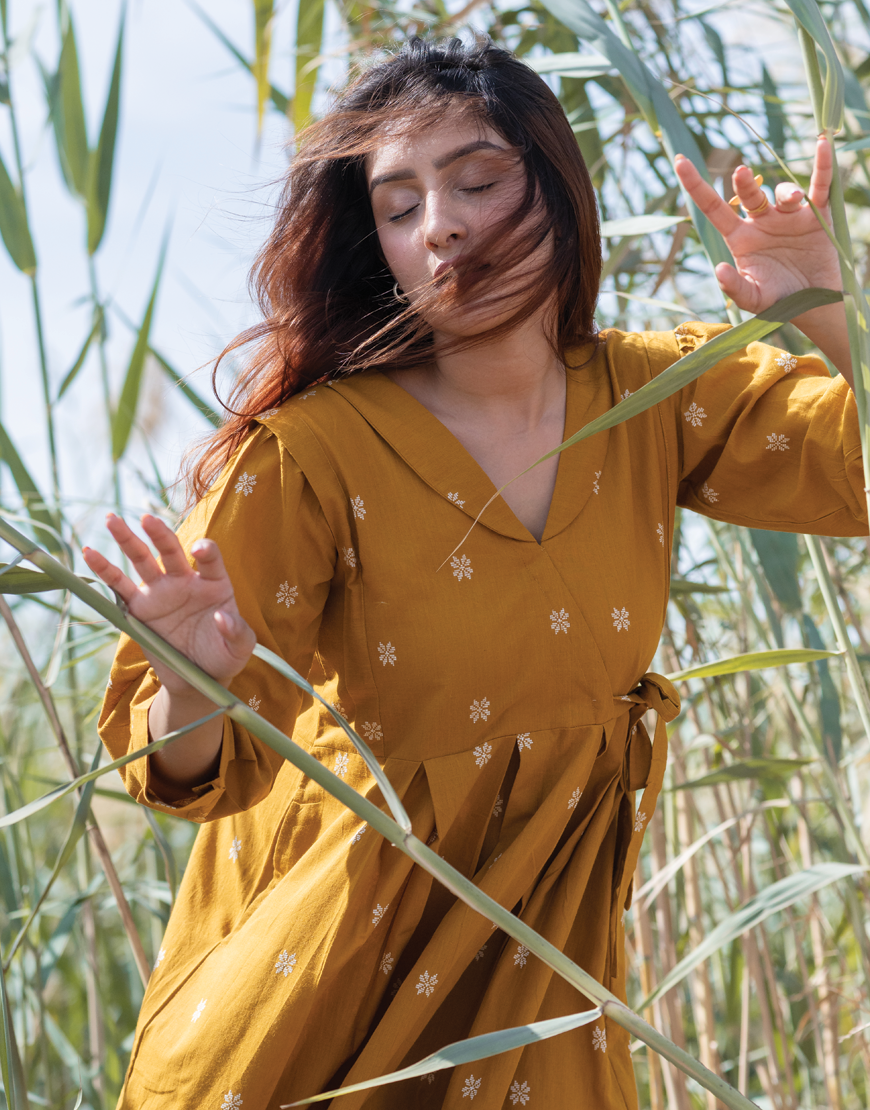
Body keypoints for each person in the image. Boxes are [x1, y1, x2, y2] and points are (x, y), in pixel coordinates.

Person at [85, 37, 865, 1110]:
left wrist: (833, 320)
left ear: (555, 185)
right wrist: (188, 682)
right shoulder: (313, 451)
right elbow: (187, 770)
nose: (440, 225)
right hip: (330, 998)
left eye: (478, 181)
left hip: (550, 986)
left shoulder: (658, 394)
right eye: (399, 206)